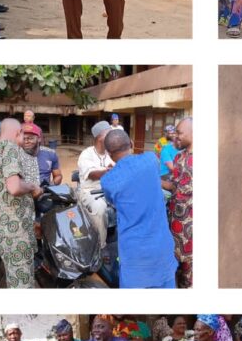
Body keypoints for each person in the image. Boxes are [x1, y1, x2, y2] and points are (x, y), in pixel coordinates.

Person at [102, 129, 177, 288]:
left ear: (108, 154)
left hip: (134, 256)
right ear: (131, 143)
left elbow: (112, 200)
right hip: (161, 248)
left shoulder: (107, 181)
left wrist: (114, 172)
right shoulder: (151, 159)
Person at [0, 119, 43, 288]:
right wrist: (32, 187)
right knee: (21, 284)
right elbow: (14, 187)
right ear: (18, 133)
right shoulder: (10, 148)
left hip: (2, 227)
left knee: (13, 277)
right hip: (15, 230)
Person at [162, 117, 193, 288]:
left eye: (179, 133)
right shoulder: (180, 157)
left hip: (191, 231)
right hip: (175, 227)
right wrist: (153, 179)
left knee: (191, 275)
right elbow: (174, 186)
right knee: (176, 270)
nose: (175, 136)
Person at [77, 121, 114, 246]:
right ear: (100, 137)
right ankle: (101, 246)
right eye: (109, 134)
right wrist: (108, 171)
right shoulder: (87, 154)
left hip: (110, 191)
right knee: (99, 208)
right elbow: (92, 174)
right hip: (90, 191)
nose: (112, 137)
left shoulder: (111, 153)